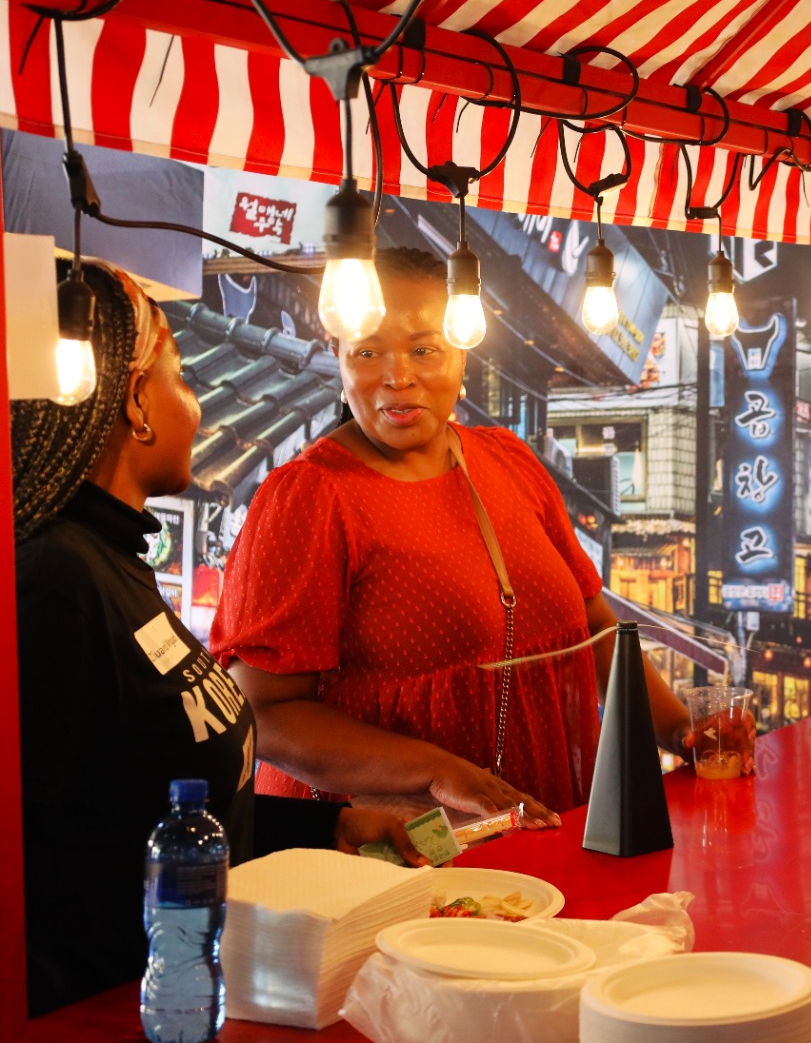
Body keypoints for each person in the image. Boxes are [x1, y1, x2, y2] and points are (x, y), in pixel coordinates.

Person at [13, 261, 426, 1018]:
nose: (195, 407)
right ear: (136, 402)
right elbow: (29, 859)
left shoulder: (119, 570)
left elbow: (154, 811)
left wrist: (327, 823)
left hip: (196, 1003)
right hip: (114, 1013)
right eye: (178, 375)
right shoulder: (58, 582)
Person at [210, 248, 691, 823]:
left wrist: (684, 731)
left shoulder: (509, 461)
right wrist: (436, 770)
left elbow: (595, 633)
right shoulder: (309, 497)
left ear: (463, 352)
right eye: (368, 351)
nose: (398, 376)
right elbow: (262, 712)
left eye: (424, 349)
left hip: (545, 818)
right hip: (397, 844)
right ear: (337, 355)